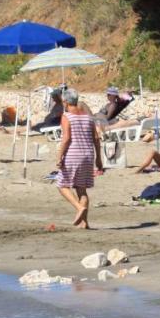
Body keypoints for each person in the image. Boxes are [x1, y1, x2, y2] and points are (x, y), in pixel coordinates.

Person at [55, 88, 102, 229]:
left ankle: (78, 208)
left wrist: (59, 157)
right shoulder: (88, 117)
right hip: (88, 155)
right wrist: (99, 159)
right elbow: (96, 138)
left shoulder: (67, 116)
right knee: (82, 189)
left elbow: (66, 138)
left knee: (62, 185)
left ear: (65, 102)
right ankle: (84, 223)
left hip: (73, 155)